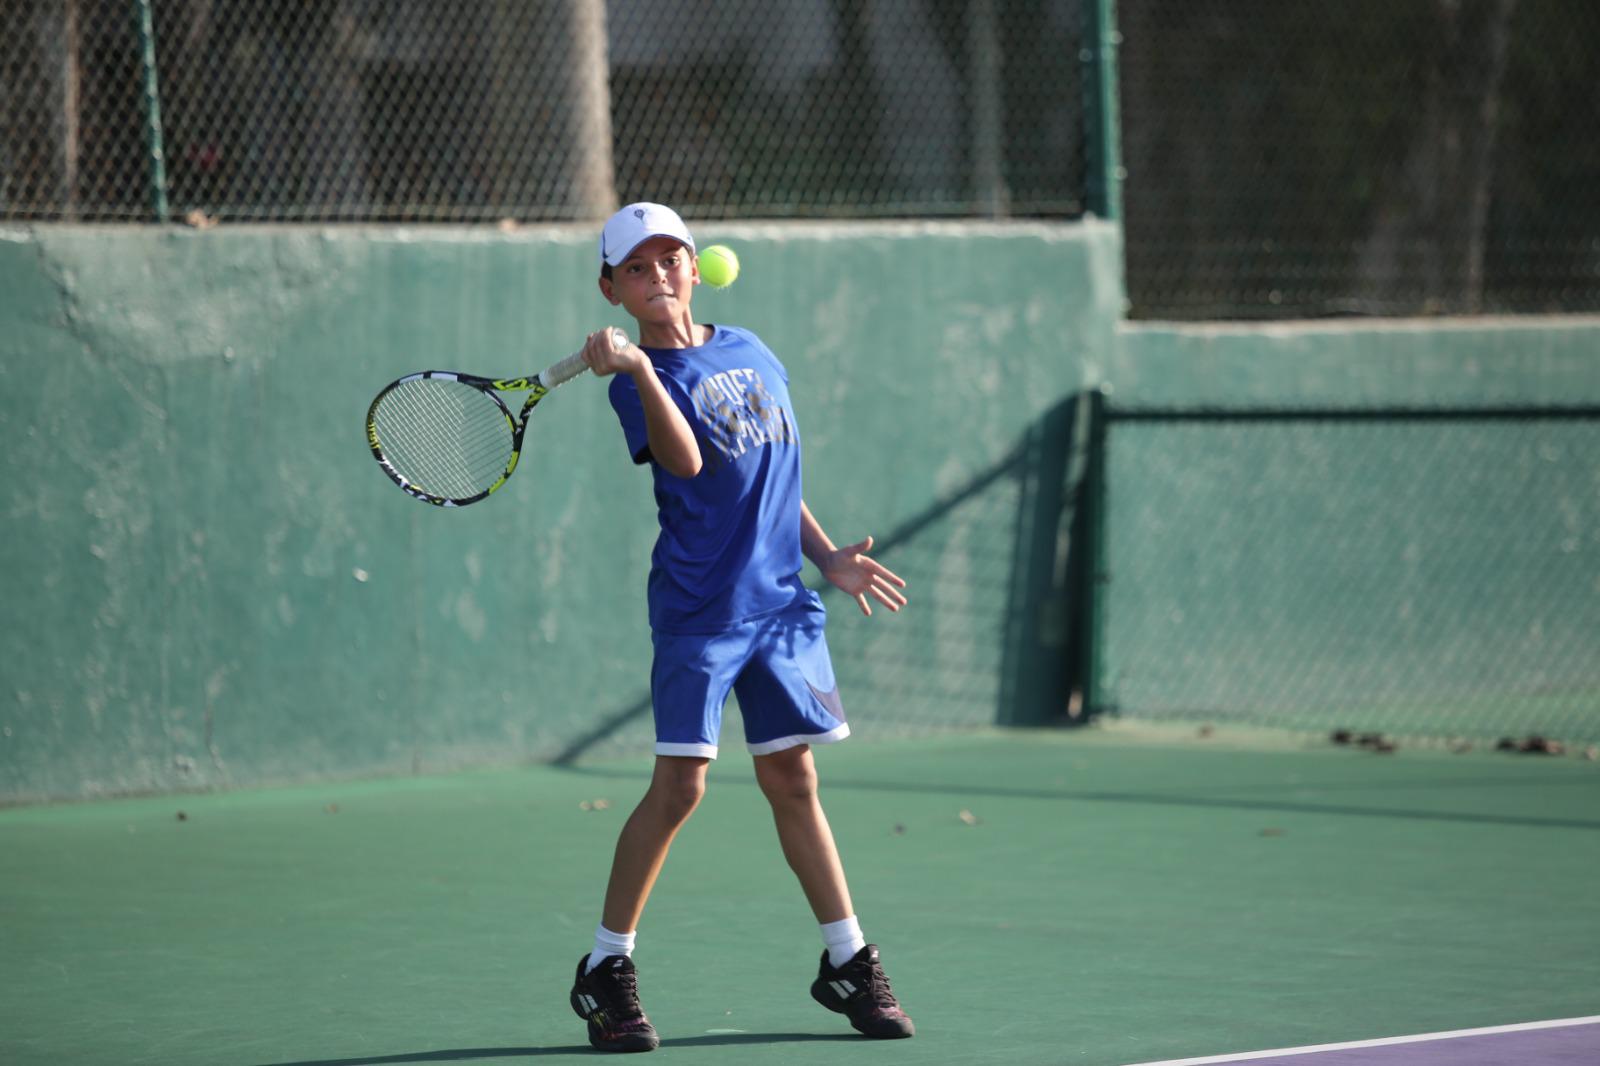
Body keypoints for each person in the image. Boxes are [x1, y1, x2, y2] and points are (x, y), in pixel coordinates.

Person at [567, 202, 915, 1052]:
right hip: (701, 613)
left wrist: (827, 556)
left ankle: (848, 959)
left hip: (782, 605)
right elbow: (687, 461)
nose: (658, 278)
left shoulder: (752, 348)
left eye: (669, 261)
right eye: (636, 270)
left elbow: (768, 470)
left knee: (794, 780)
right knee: (681, 787)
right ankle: (606, 969)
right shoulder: (629, 382)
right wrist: (643, 373)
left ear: (695, 266)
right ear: (612, 290)